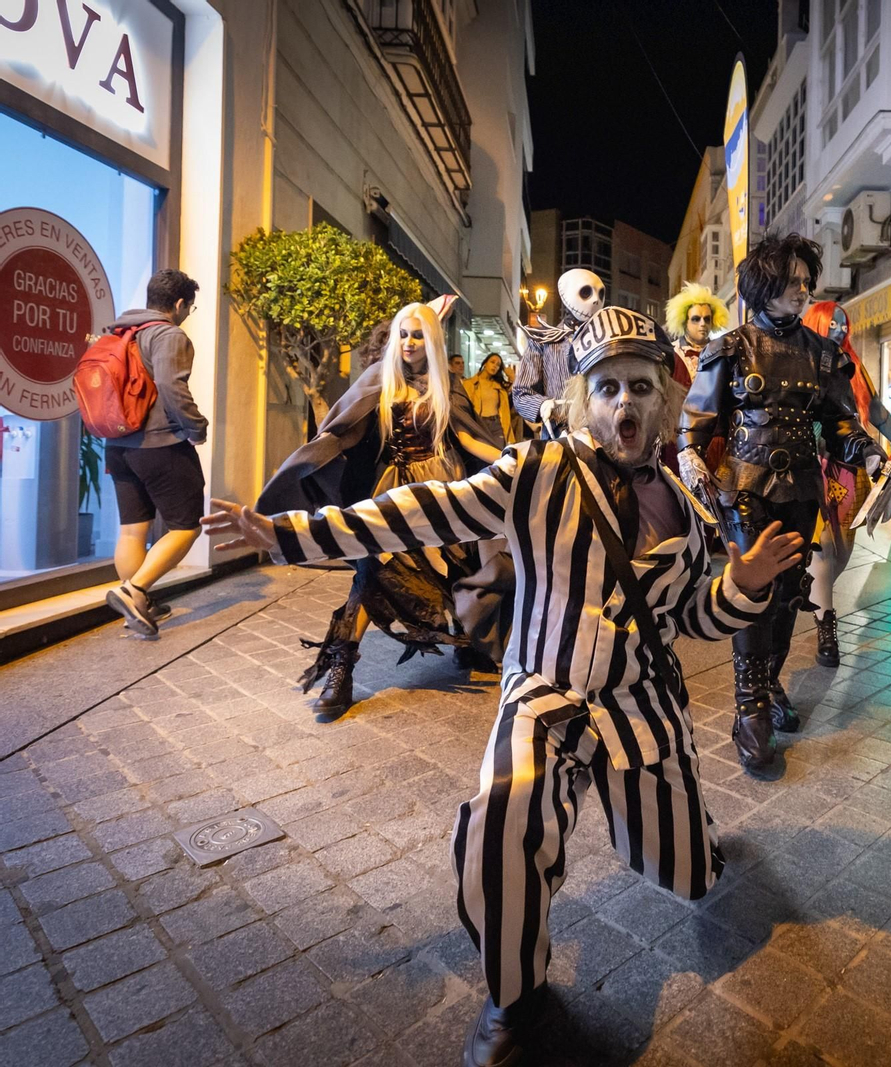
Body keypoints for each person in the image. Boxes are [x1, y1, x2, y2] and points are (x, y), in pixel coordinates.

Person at [202, 305, 803, 1067]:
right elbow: (426, 509)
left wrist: (742, 587)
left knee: (686, 873)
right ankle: (513, 996)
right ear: (585, 398)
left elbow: (692, 617)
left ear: (664, 402)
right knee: (501, 822)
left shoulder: (685, 514)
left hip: (640, 701)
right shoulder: (538, 471)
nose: (625, 401)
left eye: (641, 386)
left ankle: (696, 840)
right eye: (609, 386)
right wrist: (291, 532)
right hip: (544, 689)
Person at [679, 234, 885, 770]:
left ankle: (769, 684)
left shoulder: (823, 353)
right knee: (755, 587)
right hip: (745, 485)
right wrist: (689, 454)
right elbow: (697, 421)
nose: (802, 289)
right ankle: (749, 708)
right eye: (792, 280)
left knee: (791, 591)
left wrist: (867, 452)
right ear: (762, 285)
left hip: (802, 488)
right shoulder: (730, 347)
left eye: (805, 281)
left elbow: (841, 423)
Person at [256, 302, 508, 721]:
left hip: (441, 484)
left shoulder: (447, 383)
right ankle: (341, 666)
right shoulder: (379, 377)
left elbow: (466, 437)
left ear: (432, 340)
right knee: (372, 570)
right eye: (403, 334)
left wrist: (512, 461)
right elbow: (347, 430)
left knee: (456, 567)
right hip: (390, 487)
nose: (408, 343)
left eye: (417, 335)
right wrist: (315, 459)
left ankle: (467, 642)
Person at [801, 301, 891, 667]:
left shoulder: (852, 365)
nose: (839, 330)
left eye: (843, 324)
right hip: (813, 468)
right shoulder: (800, 362)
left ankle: (813, 596)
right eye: (831, 324)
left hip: (851, 466)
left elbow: (875, 410)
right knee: (824, 548)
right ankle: (826, 628)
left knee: (841, 552)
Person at [103, 269, 209, 637]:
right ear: (179, 304)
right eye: (189, 307)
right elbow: (170, 386)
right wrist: (196, 427)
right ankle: (133, 591)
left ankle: (137, 605)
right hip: (159, 445)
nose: (187, 314)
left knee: (133, 530)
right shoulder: (168, 334)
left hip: (118, 445)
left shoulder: (119, 333)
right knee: (186, 526)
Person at [511, 268, 606, 433]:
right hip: (559, 434)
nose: (596, 300)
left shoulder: (607, 342)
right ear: (566, 293)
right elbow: (521, 393)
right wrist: (542, 405)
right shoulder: (543, 341)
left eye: (601, 294)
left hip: (601, 434)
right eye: (586, 292)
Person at [662, 281, 729, 388]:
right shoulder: (670, 354)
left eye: (707, 319)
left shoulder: (722, 353)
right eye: (696, 319)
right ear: (684, 322)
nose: (703, 324)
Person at [464, 353, 519, 446]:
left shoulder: (499, 386)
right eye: (492, 362)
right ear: (485, 363)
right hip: (479, 423)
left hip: (496, 424)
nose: (495, 366)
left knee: (499, 452)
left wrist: (511, 375)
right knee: (481, 453)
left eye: (498, 365)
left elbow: (514, 388)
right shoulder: (470, 384)